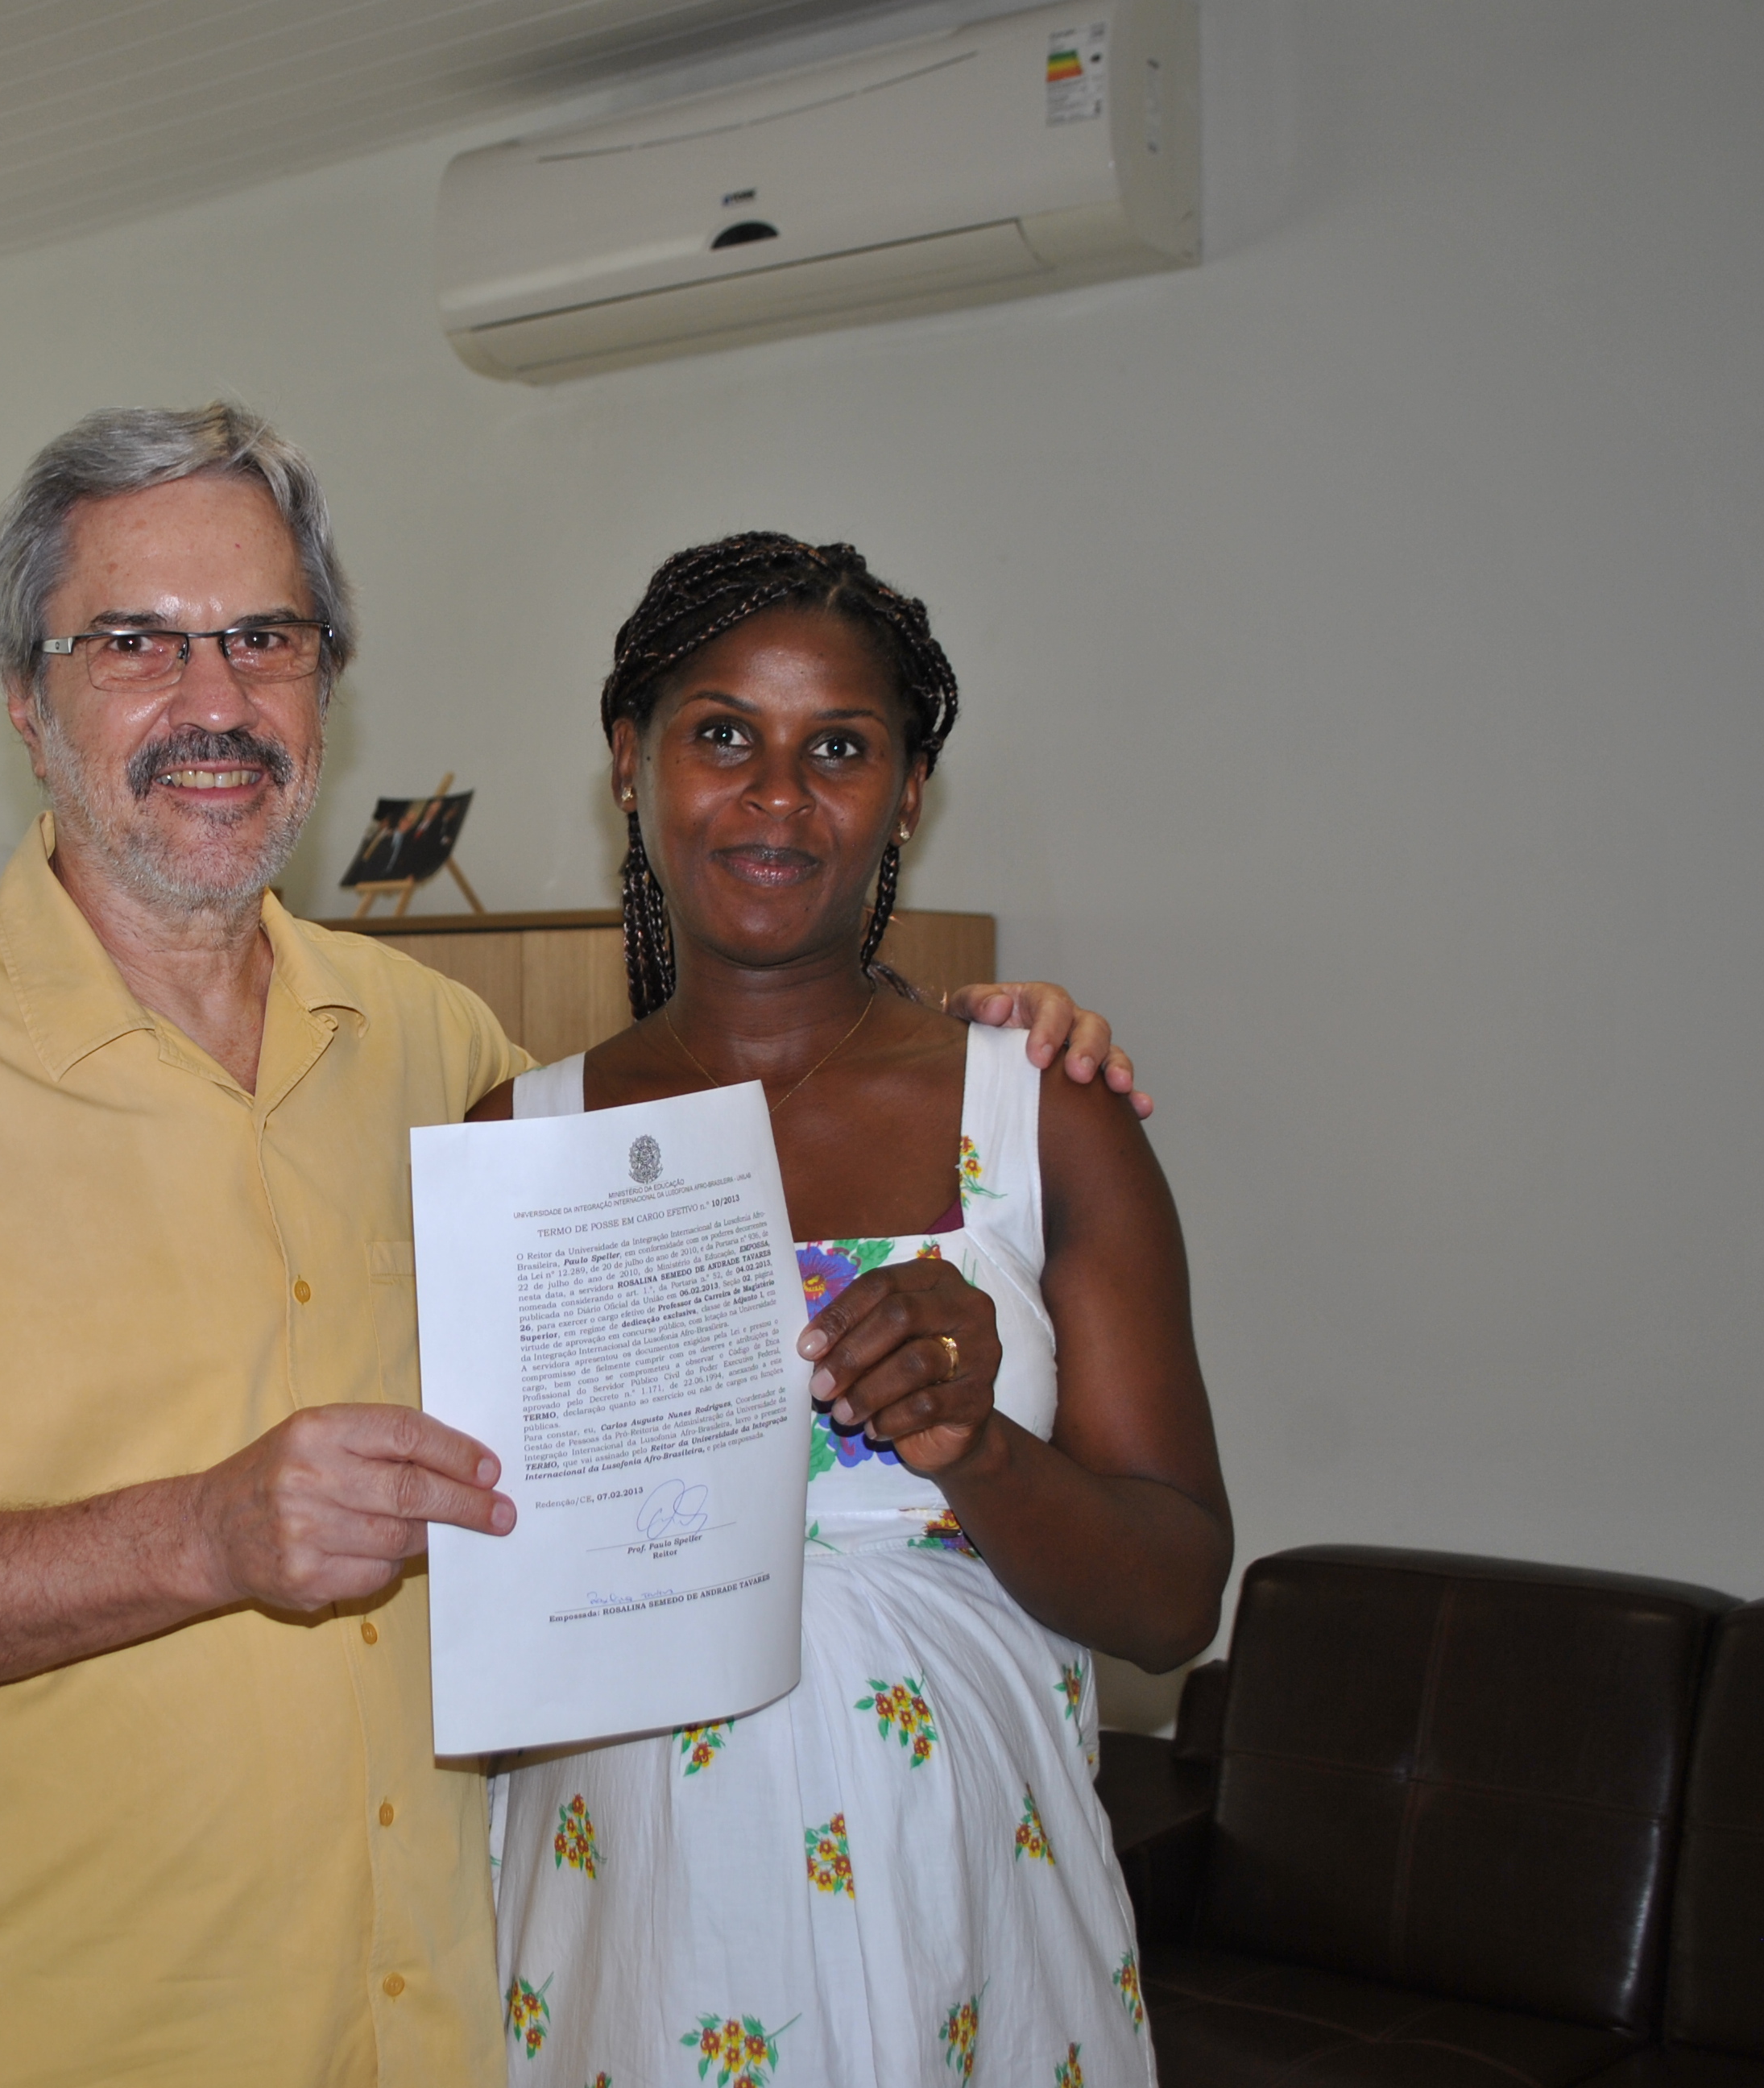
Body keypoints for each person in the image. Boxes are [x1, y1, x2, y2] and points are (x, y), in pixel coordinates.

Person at [0, 407, 1140, 2087]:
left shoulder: (441, 1056)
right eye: (135, 642)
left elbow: (734, 1150)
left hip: (434, 2013)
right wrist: (204, 1535)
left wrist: (977, 1045)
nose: (214, 700)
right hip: (50, 2029)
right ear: (25, 695)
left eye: (265, 638)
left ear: (325, 681)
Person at [479, 535, 1229, 2088]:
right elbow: (476, 1604)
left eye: (838, 748)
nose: (778, 795)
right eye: (721, 735)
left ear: (908, 792)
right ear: (629, 763)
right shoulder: (519, 1146)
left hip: (960, 1893)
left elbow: (1173, 1605)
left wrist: (978, 1445)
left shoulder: (1045, 1119)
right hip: (631, 1916)